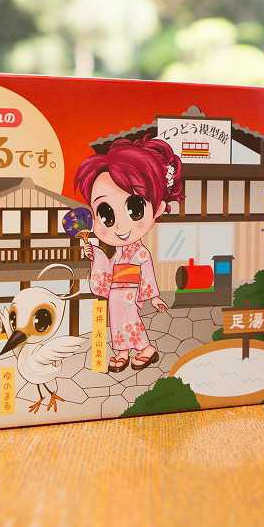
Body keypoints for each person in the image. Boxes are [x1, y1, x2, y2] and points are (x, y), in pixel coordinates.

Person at [74, 135, 183, 372]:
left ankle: (146, 349)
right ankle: (122, 352)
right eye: (105, 214)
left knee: (130, 319)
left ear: (158, 209)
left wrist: (154, 297)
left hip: (129, 291)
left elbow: (148, 274)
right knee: (116, 321)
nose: (120, 226)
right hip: (116, 290)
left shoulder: (140, 253)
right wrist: (94, 253)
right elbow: (107, 265)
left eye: (134, 209)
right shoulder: (119, 253)